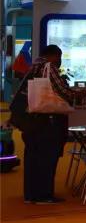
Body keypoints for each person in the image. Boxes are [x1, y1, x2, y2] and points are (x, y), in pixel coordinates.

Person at [11, 45, 76, 204]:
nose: (59, 61)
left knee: (32, 158)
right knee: (47, 158)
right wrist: (76, 95)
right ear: (53, 56)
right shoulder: (49, 68)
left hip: (30, 120)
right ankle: (44, 195)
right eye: (59, 57)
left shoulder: (32, 67)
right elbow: (62, 91)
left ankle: (30, 195)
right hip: (46, 121)